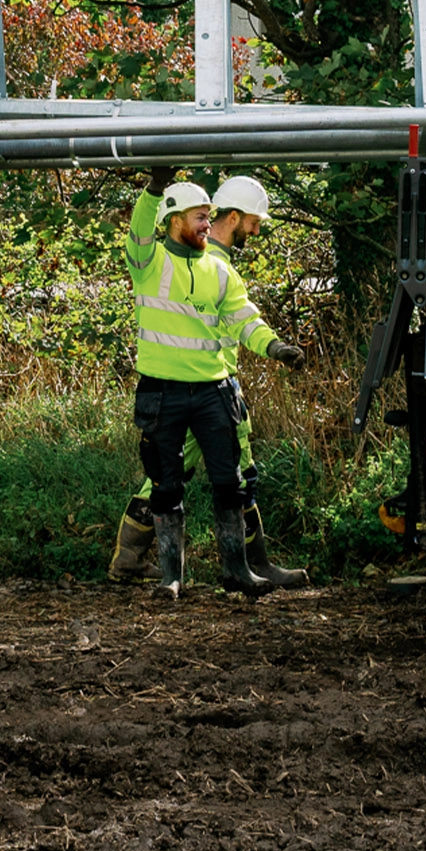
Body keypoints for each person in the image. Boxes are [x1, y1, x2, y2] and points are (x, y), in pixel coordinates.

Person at [108, 174, 307, 589]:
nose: (207, 225)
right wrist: (151, 191)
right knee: (166, 484)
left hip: (214, 388)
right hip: (167, 390)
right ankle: (167, 575)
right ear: (175, 219)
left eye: (208, 217)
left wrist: (274, 347)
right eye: (200, 217)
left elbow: (244, 318)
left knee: (232, 478)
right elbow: (140, 231)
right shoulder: (151, 264)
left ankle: (241, 569)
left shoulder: (218, 269)